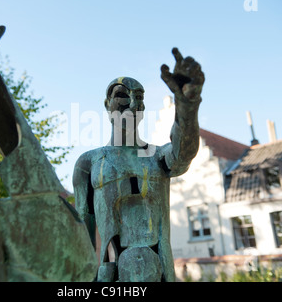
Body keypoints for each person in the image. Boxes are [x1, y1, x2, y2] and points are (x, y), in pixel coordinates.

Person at [73, 48, 204, 282]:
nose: (132, 104)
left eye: (140, 98)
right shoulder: (89, 162)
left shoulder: (155, 155)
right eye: (122, 95)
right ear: (107, 103)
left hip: (159, 270)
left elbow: (183, 153)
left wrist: (187, 104)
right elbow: (83, 230)